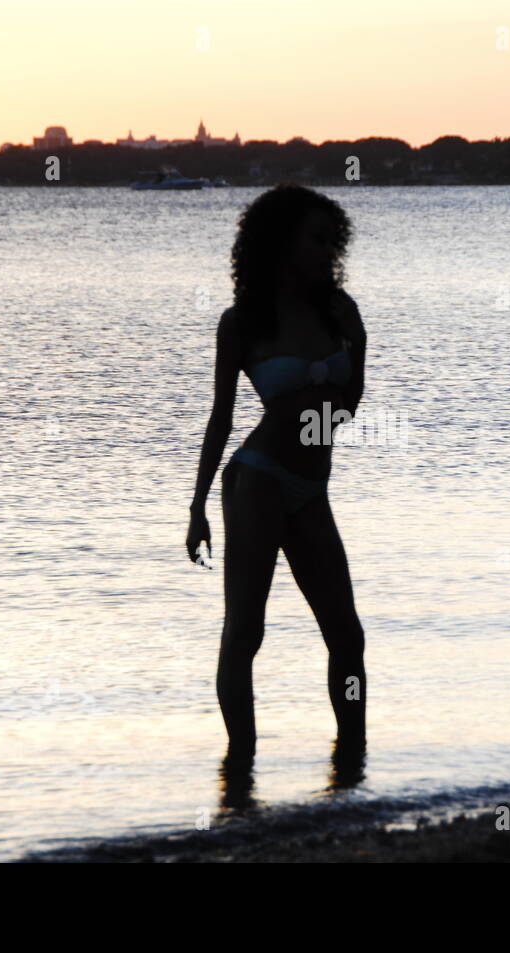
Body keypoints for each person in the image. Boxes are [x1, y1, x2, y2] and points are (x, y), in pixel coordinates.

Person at [186, 185, 367, 782]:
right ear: (281, 243)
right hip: (257, 479)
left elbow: (345, 411)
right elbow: (221, 416)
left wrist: (357, 347)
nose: (326, 251)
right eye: (315, 239)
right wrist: (196, 505)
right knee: (246, 630)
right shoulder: (243, 323)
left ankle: (352, 763)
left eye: (329, 240)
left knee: (346, 633)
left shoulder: (338, 313)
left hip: (311, 487)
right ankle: (240, 770)